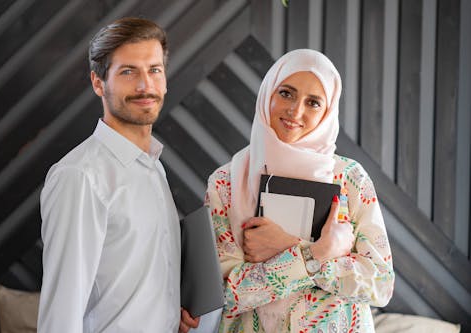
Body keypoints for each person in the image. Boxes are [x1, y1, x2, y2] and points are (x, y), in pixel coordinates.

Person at [204, 49, 395, 332]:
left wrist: (292, 248)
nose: (296, 111)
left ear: (328, 111)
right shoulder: (226, 183)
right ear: (268, 93)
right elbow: (227, 295)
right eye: (286, 93)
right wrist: (318, 253)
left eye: (313, 102)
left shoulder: (350, 179)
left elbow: (380, 285)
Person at [38, 17, 198, 332]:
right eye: (128, 72)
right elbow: (61, 315)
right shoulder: (79, 177)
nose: (145, 86)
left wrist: (168, 315)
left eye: (154, 70)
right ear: (99, 83)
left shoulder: (154, 167)